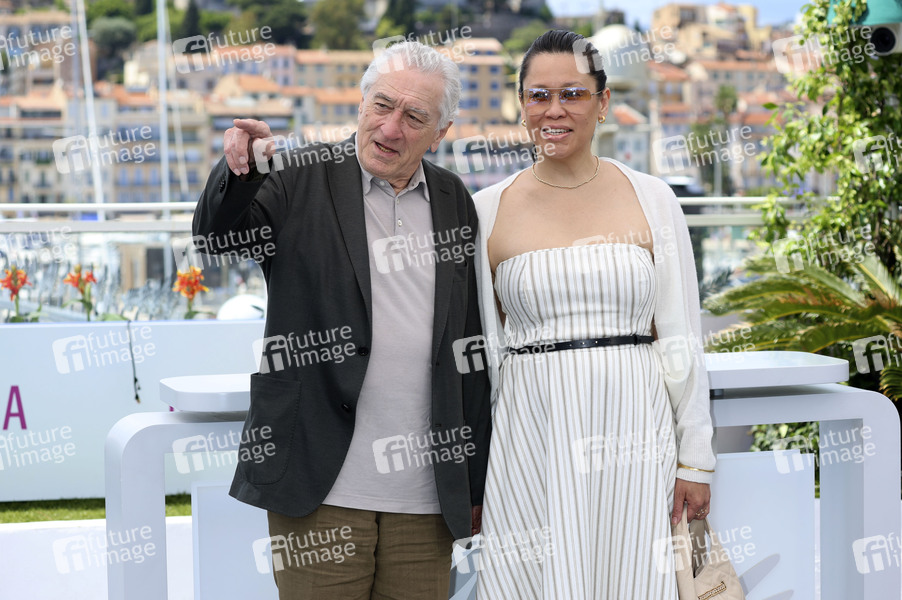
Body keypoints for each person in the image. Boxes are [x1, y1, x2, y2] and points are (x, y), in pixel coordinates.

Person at [192, 41, 491, 599]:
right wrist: (240, 171)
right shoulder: (295, 176)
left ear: (441, 132)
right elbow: (217, 238)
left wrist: (472, 482)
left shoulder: (454, 199)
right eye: (382, 105)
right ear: (361, 102)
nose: (391, 128)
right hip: (317, 483)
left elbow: (467, 345)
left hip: (425, 499)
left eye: (414, 117)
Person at [471, 30, 716, 598]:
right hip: (530, 436)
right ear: (521, 105)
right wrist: (475, 473)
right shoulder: (485, 210)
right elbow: (485, 354)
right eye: (538, 95)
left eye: (573, 94)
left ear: (602, 103)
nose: (554, 110)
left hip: (637, 432)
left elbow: (681, 338)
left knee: (633, 578)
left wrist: (695, 460)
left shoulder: (654, 198)